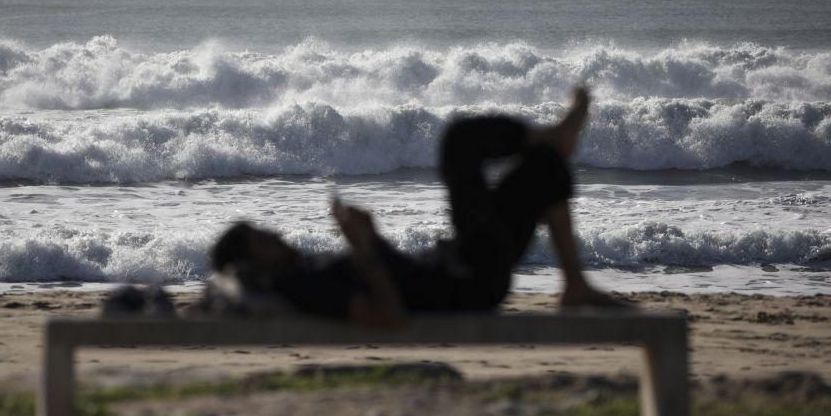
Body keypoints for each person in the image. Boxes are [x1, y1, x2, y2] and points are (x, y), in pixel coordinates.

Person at [209, 87, 623, 329]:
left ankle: (574, 284)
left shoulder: (304, 273)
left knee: (543, 168)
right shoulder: (300, 284)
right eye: (260, 240)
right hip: (466, 280)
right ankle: (553, 135)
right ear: (254, 264)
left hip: (464, 267)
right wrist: (366, 247)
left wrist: (369, 240)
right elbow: (388, 314)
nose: (273, 234)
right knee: (459, 141)